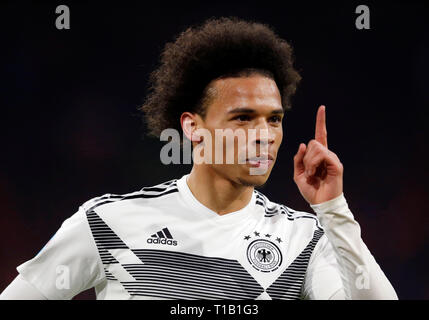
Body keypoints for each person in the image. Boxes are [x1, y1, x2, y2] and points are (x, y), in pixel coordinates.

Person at [0, 17, 397, 300]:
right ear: (192, 128)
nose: (264, 135)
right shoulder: (107, 224)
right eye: (243, 117)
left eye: (274, 119)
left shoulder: (305, 238)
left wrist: (333, 208)